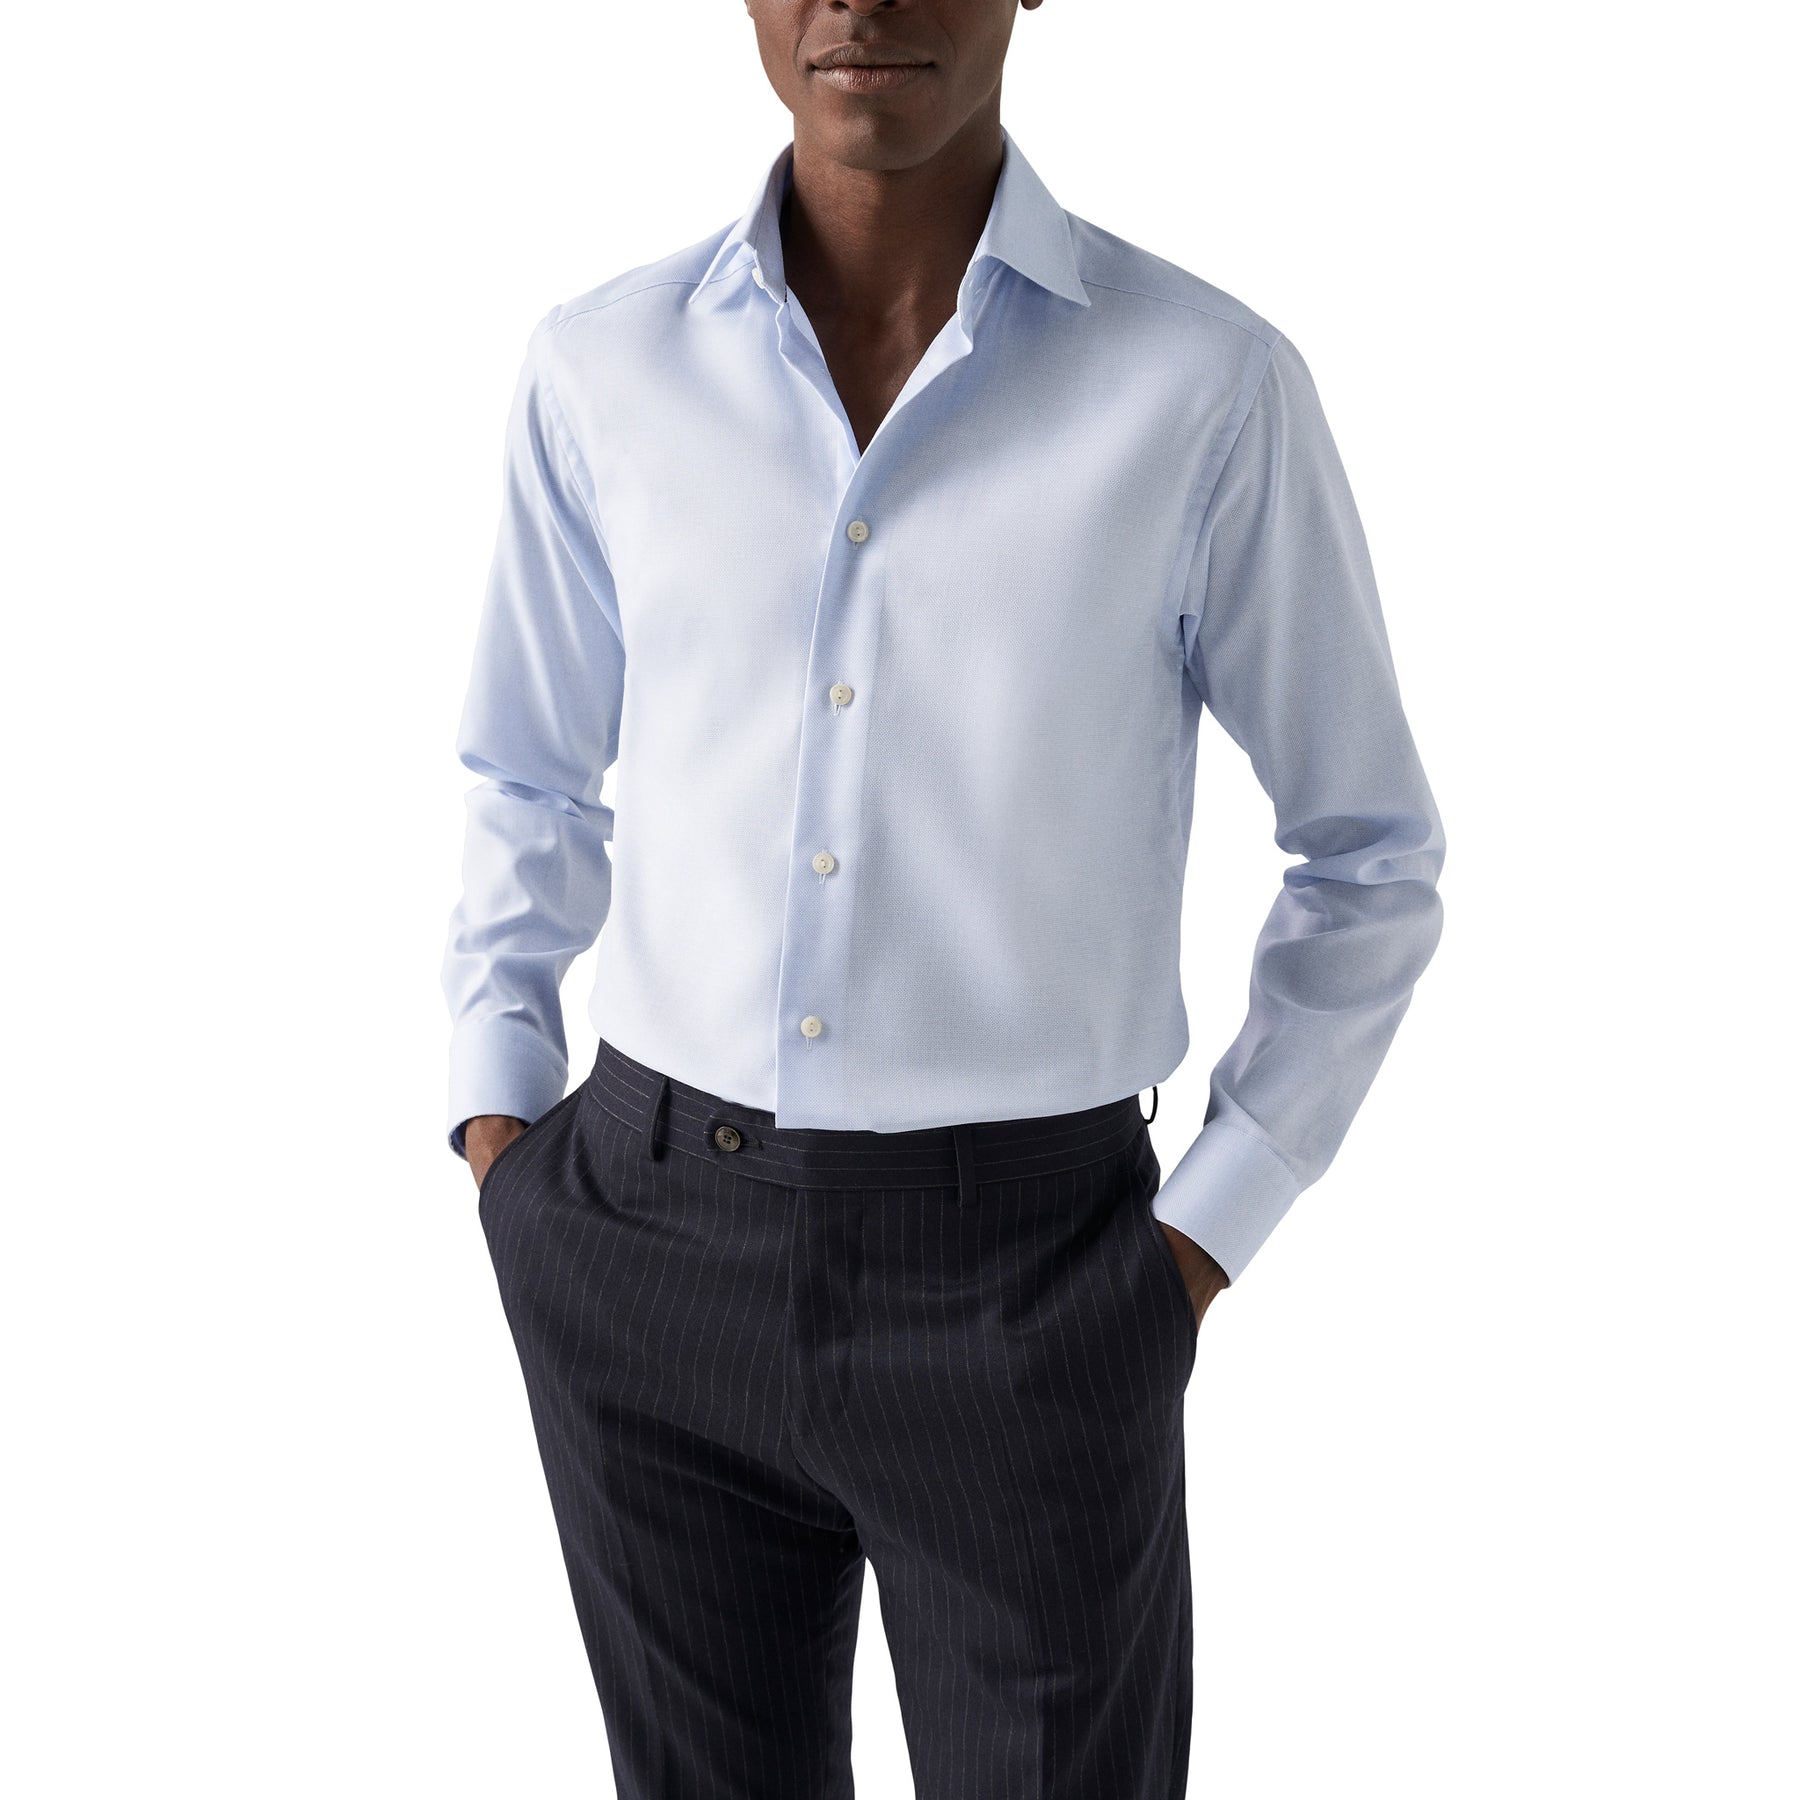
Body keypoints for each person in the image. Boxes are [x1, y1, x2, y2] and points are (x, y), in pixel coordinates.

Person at [440, 2, 1445, 1793]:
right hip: (642, 1244)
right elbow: (528, 772)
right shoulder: (602, 368)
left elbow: (1367, 849)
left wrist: (1200, 1241)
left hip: (1032, 1289)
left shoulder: (1202, 388)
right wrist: (501, 1126)